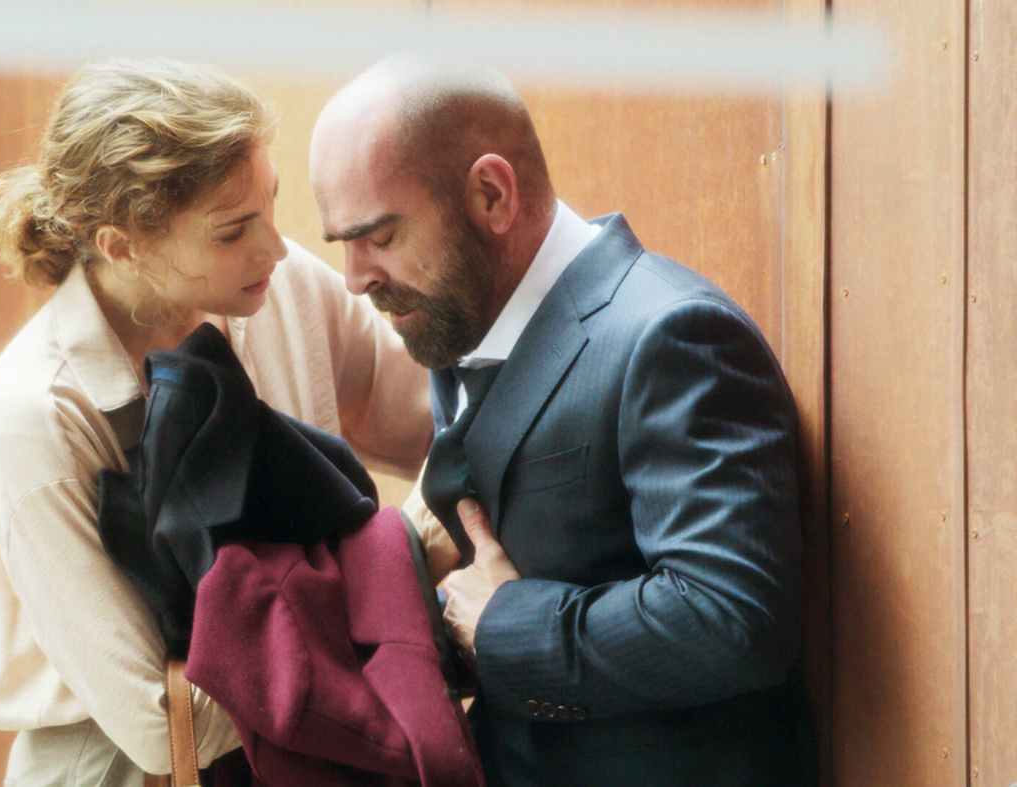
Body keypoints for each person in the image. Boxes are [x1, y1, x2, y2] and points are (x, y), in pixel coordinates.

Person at [309, 57, 813, 787]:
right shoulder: (457, 324)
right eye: (344, 245)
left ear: (491, 194)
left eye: (380, 237)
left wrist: (505, 627)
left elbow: (734, 619)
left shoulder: (672, 336)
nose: (356, 279)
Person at [0, 59, 433, 786]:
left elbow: (434, 426)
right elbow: (158, 722)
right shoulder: (38, 414)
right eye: (232, 231)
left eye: (271, 205)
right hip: (124, 768)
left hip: (310, 740)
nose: (274, 246)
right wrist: (396, 599)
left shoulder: (283, 286)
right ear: (122, 244)